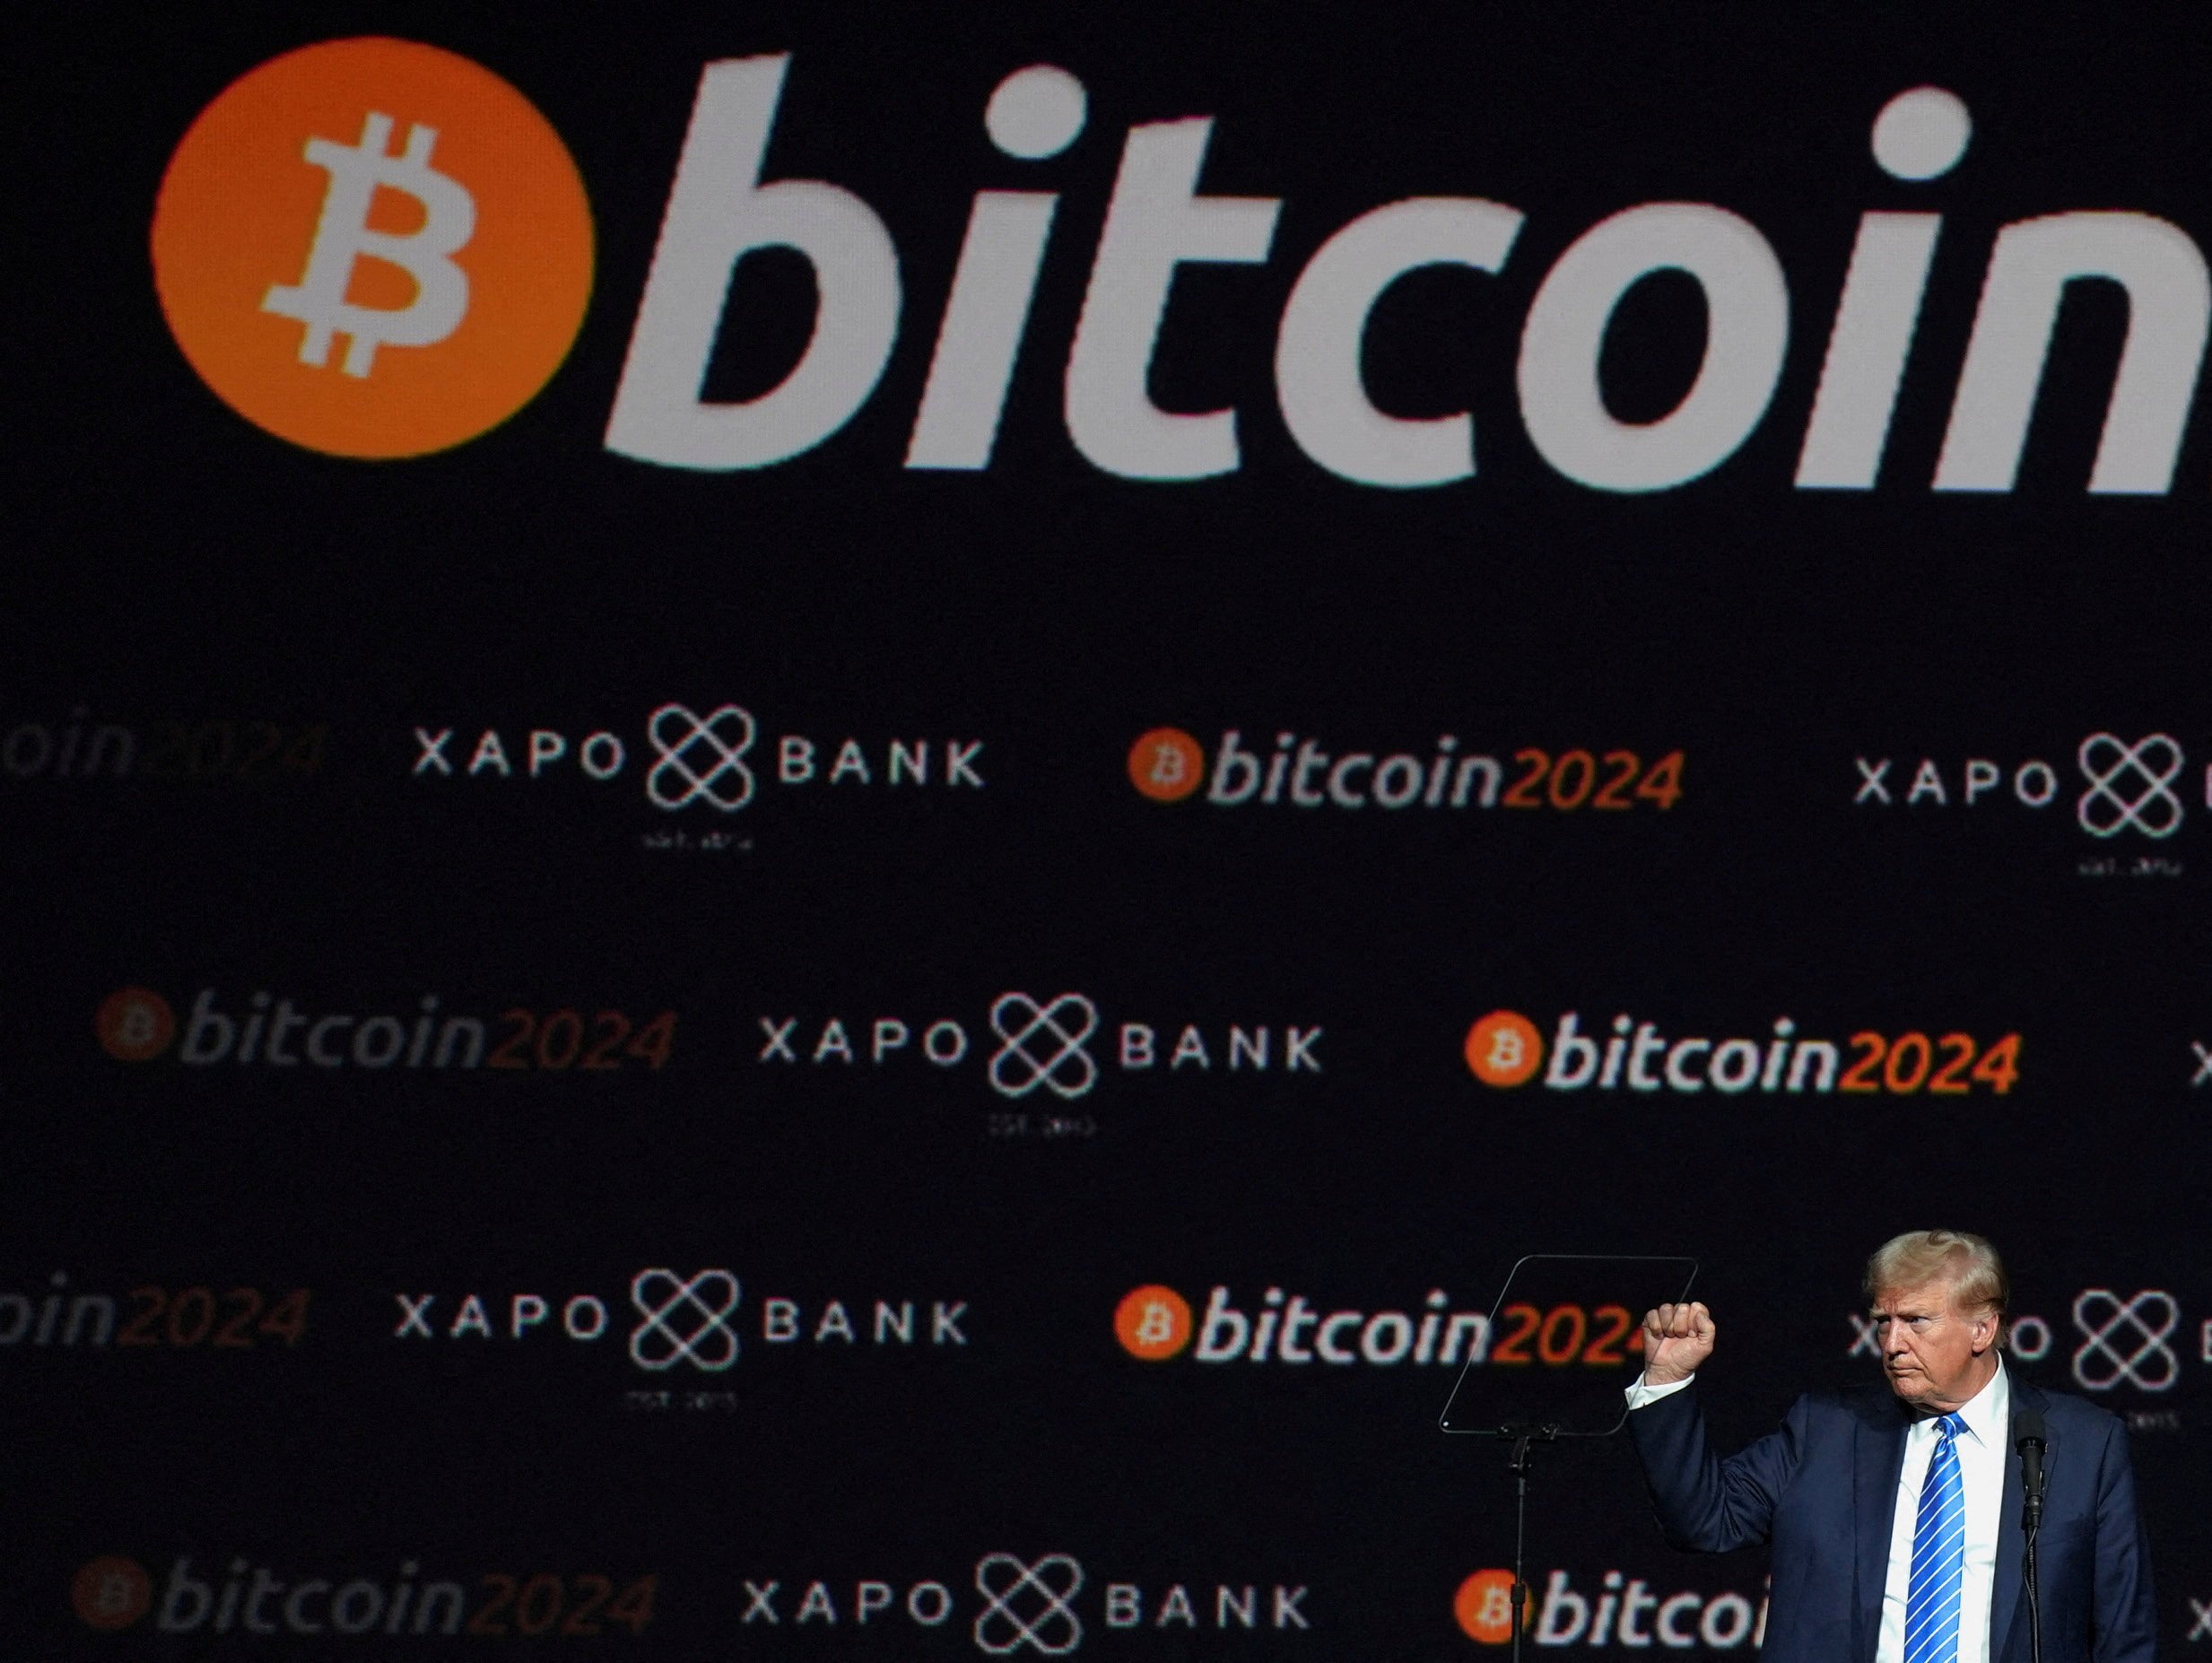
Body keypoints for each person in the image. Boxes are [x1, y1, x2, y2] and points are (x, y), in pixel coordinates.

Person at [1625, 1231, 2155, 1663]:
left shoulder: (2083, 1444)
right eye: (1884, 1323)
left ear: (1982, 1328)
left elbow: (2124, 1633)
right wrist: (1667, 1381)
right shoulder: (1827, 1430)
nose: (1893, 1344)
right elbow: (1704, 1521)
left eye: (1916, 1321)